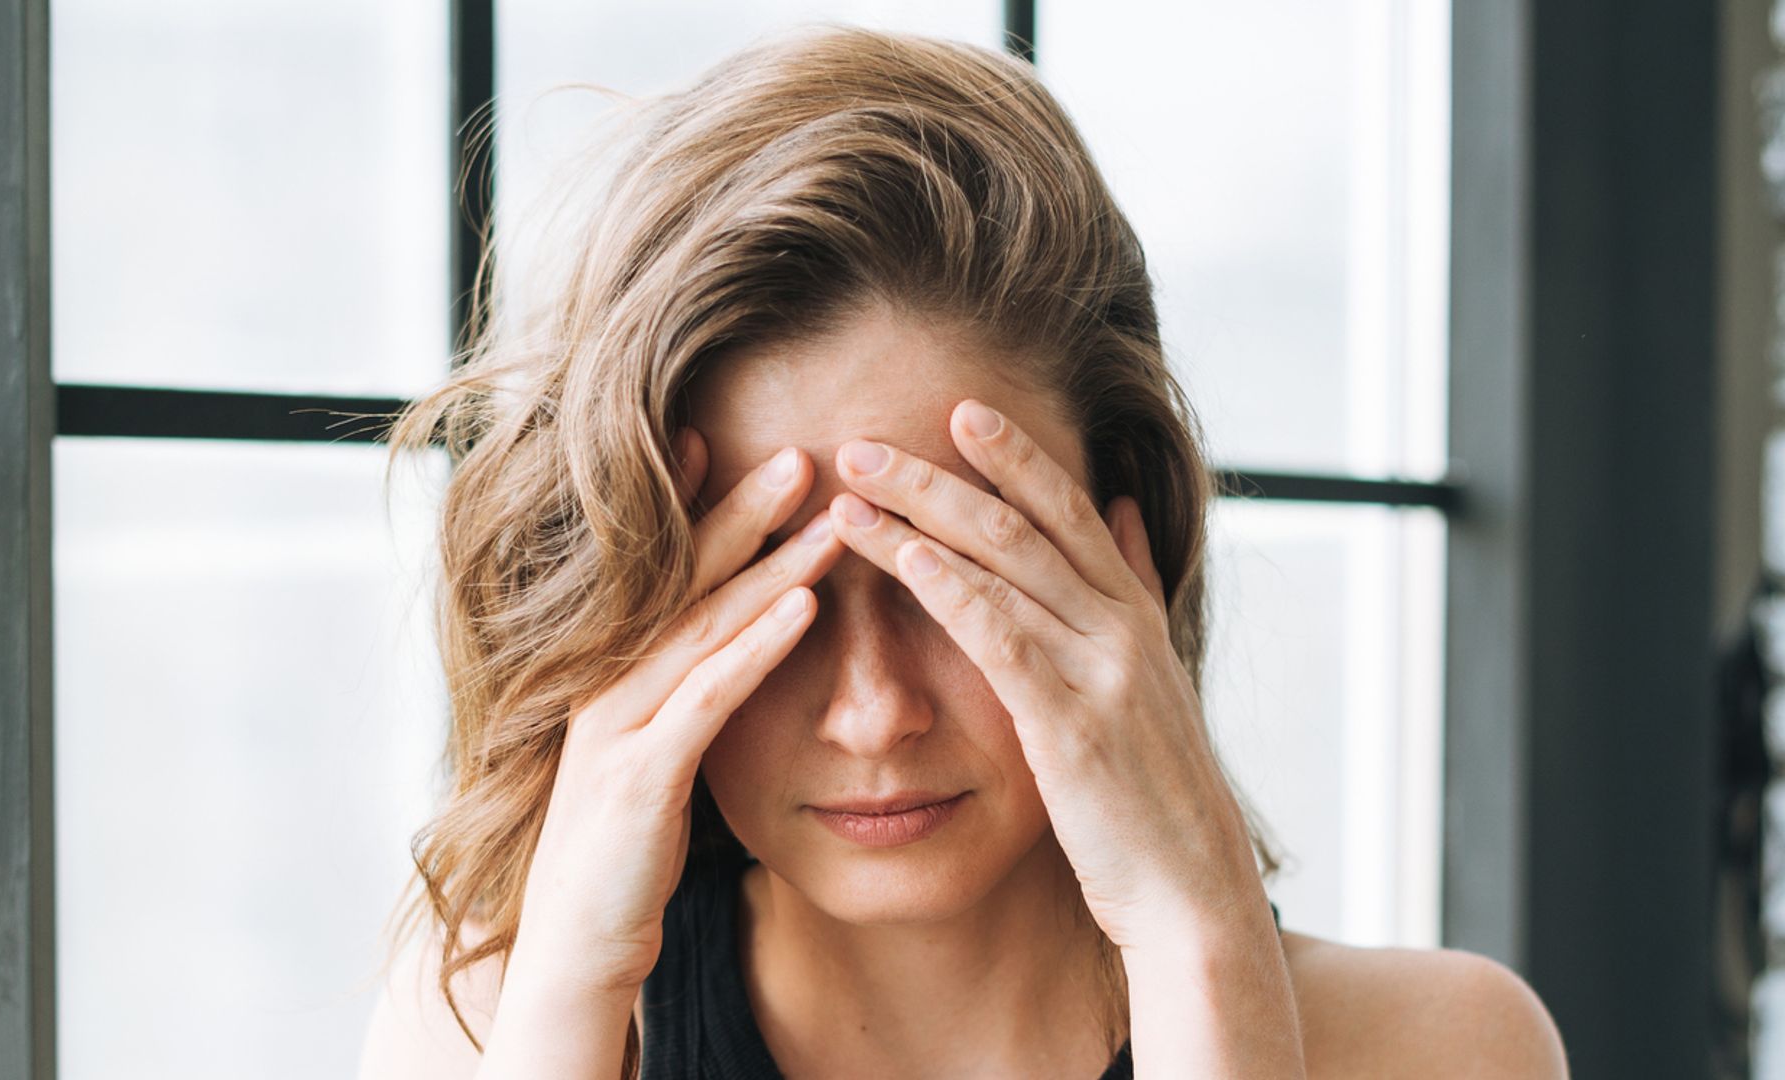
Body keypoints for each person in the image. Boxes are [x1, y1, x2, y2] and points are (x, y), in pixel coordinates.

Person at [357, 24, 1569, 1079]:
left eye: (953, 577)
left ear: (1124, 555)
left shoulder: (1436, 1048)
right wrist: (572, 987)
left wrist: (1199, 952)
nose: (875, 715)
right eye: (766, 598)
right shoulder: (479, 1024)